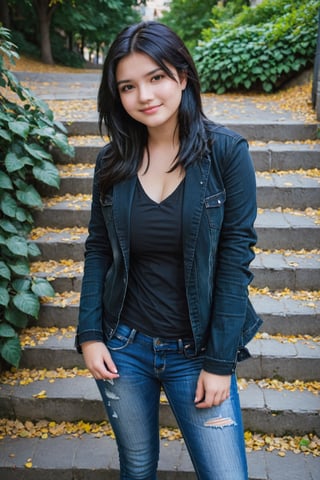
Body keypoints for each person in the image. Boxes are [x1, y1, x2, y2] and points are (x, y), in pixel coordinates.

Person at [76, 20, 262, 480]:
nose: (144, 95)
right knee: (136, 467)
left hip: (196, 351)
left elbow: (235, 262)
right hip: (124, 346)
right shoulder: (112, 159)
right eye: (128, 86)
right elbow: (98, 248)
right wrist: (90, 334)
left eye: (155, 77)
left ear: (181, 75)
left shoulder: (226, 152)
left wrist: (219, 363)